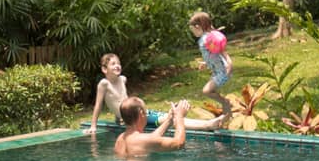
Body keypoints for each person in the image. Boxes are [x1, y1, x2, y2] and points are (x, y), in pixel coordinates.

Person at [86, 52, 220, 134]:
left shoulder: (122, 79)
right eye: (113, 64)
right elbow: (99, 105)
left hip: (138, 113)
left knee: (170, 118)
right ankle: (208, 125)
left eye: (119, 63)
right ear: (104, 69)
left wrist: (119, 118)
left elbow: (122, 100)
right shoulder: (104, 84)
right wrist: (93, 126)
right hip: (133, 117)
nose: (117, 66)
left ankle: (208, 124)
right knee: (170, 120)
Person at [189, 11, 232, 127]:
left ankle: (226, 104)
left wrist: (229, 62)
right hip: (218, 71)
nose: (193, 33)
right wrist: (205, 63)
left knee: (206, 91)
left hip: (223, 72)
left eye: (192, 30)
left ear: (198, 27)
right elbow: (212, 55)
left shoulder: (209, 38)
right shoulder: (206, 38)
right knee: (209, 91)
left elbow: (221, 51)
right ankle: (227, 115)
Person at [114, 96, 191, 157]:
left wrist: (169, 119)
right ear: (141, 114)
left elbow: (151, 139)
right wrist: (179, 116)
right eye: (146, 112)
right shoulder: (144, 140)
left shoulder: (120, 139)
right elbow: (179, 144)